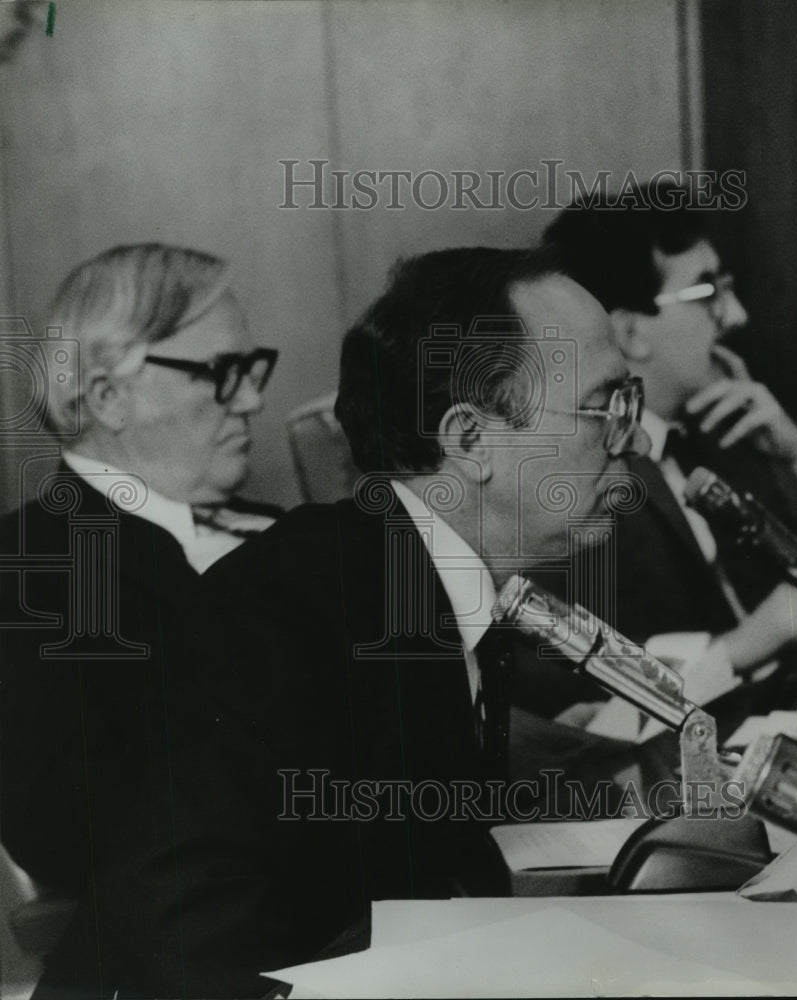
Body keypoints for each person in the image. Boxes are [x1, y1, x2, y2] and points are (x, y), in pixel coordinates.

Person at [36, 246, 650, 998]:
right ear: (469, 441)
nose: (638, 441)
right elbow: (180, 935)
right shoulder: (295, 602)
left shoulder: (410, 583)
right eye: (607, 408)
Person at [539, 181, 797, 721]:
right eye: (707, 294)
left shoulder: (725, 439)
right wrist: (748, 642)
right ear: (630, 334)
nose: (736, 315)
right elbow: (568, 673)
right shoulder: (573, 475)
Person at [0, 244, 280, 896]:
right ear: (107, 396)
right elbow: (70, 837)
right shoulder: (29, 569)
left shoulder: (282, 531)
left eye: (253, 368)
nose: (251, 402)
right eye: (223, 372)